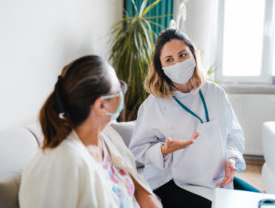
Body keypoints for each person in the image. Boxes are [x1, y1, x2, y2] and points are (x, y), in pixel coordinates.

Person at [19, 55, 161, 208]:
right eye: (118, 88)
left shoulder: (106, 137)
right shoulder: (62, 164)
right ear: (101, 106)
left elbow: (139, 189)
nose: (122, 91)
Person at [129, 29, 246, 208]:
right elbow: (137, 149)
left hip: (216, 178)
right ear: (161, 67)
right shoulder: (154, 105)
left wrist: (231, 158)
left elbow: (233, 135)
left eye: (183, 55)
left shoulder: (215, 93)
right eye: (169, 59)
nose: (178, 62)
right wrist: (163, 149)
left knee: (261, 202)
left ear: (193, 54)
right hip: (173, 182)